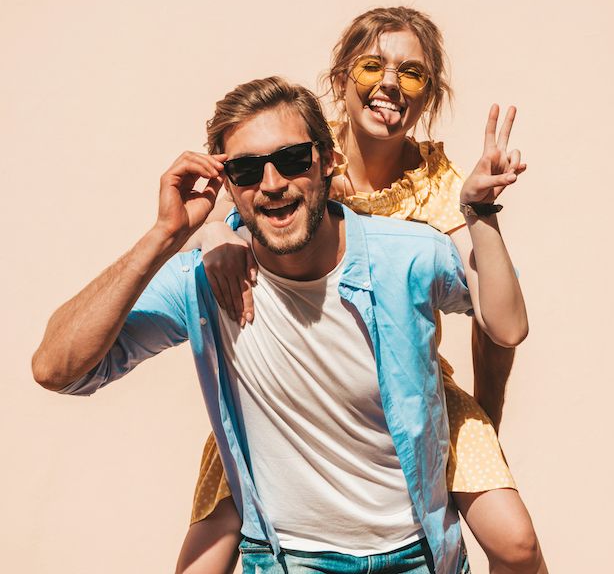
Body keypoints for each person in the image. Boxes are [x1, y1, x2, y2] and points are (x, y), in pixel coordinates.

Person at [32, 75, 528, 574]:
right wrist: (164, 235)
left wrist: (481, 212)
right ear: (228, 185)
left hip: (417, 555)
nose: (271, 184)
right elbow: (58, 368)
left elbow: (504, 324)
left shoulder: (409, 256)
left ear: (328, 161)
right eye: (246, 170)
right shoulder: (204, 281)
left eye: (291, 160)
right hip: (287, 561)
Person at [179, 7, 547, 574]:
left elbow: (496, 318)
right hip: (289, 393)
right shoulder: (303, 158)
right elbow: (223, 205)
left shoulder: (439, 182)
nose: (391, 86)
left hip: (407, 387)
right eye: (372, 66)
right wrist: (211, 239)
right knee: (203, 558)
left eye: (414, 74)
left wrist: (485, 424)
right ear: (341, 79)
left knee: (517, 544)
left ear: (430, 95)